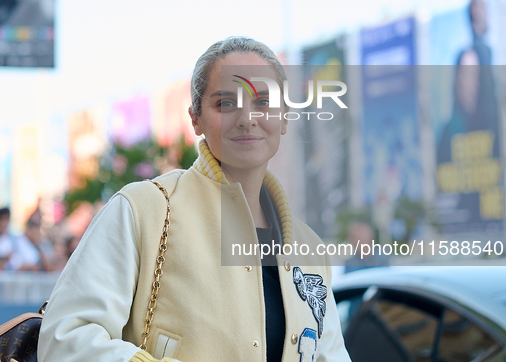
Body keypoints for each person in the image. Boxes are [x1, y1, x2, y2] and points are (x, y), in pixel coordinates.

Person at [38, 37, 350, 362]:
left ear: (284, 116)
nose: (246, 118)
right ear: (196, 118)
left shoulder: (308, 247)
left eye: (263, 102)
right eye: (226, 103)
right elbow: (66, 338)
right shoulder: (144, 209)